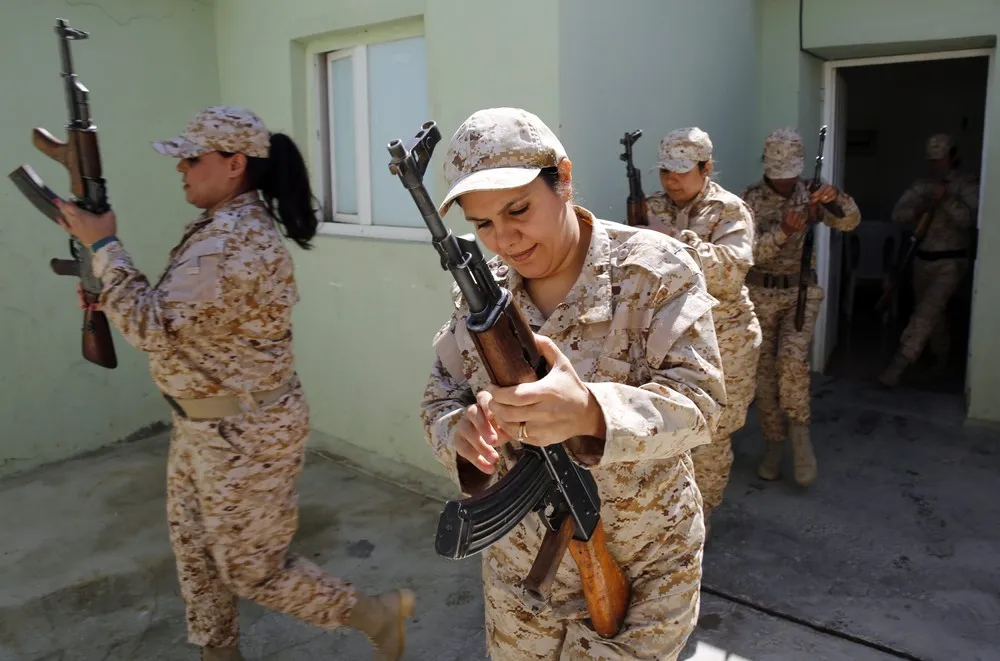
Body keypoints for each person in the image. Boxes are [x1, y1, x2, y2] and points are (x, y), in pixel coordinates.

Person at [54, 105, 414, 661]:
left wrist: (106, 249)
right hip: (203, 422)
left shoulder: (233, 241)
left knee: (252, 570)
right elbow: (174, 317)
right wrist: (108, 285)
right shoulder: (217, 229)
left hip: (244, 433)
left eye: (192, 159)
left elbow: (153, 326)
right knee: (197, 556)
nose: (182, 169)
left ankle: (378, 616)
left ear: (234, 164)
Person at [418, 107, 727, 660]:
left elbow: (702, 405)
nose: (505, 239)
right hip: (522, 571)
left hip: (643, 561)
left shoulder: (654, 269)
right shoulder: (481, 292)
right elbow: (441, 395)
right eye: (483, 224)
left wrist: (590, 411)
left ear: (562, 178)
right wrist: (458, 433)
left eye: (518, 210)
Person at [644, 127, 762, 536]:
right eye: (664, 171)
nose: (671, 180)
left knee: (711, 440)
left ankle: (700, 525)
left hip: (725, 340)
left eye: (681, 171)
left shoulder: (729, 210)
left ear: (706, 167)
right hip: (670, 339)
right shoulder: (652, 206)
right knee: (672, 435)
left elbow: (731, 273)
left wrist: (676, 242)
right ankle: (673, 518)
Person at [740, 127, 861, 487]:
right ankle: (774, 444)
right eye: (780, 175)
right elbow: (746, 254)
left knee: (791, 363)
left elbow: (850, 221)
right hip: (759, 294)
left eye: (791, 173)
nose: (785, 181)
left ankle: (800, 438)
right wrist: (784, 232)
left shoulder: (810, 193)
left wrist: (835, 197)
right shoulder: (747, 199)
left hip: (799, 294)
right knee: (762, 375)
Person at [878, 133, 979, 388]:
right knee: (933, 316)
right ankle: (941, 361)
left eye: (941, 159)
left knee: (925, 315)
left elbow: (970, 220)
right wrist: (920, 207)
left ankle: (897, 367)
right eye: (932, 160)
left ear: (953, 156)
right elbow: (898, 215)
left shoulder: (967, 184)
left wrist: (946, 199)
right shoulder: (922, 185)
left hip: (950, 263)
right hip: (921, 261)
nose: (936, 165)